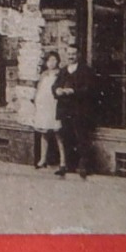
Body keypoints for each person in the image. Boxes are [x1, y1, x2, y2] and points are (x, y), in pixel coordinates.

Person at [53, 46, 97, 179]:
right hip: (65, 109)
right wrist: (57, 90)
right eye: (69, 54)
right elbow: (55, 85)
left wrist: (74, 91)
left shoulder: (85, 70)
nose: (71, 56)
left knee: (81, 137)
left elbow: (89, 88)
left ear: (78, 55)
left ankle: (83, 165)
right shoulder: (63, 71)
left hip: (79, 109)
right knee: (67, 136)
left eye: (73, 54)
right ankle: (70, 164)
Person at [32, 51, 63, 169]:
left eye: (54, 60)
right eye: (49, 60)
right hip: (44, 106)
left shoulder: (60, 74)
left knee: (58, 133)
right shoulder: (43, 75)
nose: (52, 63)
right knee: (43, 133)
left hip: (54, 105)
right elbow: (39, 89)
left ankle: (62, 161)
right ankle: (42, 158)